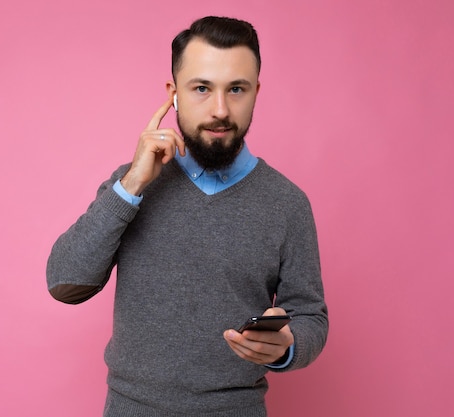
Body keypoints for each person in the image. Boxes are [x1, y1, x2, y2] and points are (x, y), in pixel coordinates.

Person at [47, 16, 328, 417]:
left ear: (256, 93)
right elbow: (64, 281)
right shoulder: (130, 186)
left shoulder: (288, 204)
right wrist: (132, 185)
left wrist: (287, 346)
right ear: (173, 93)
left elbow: (309, 315)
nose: (220, 110)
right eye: (201, 88)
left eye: (236, 89)